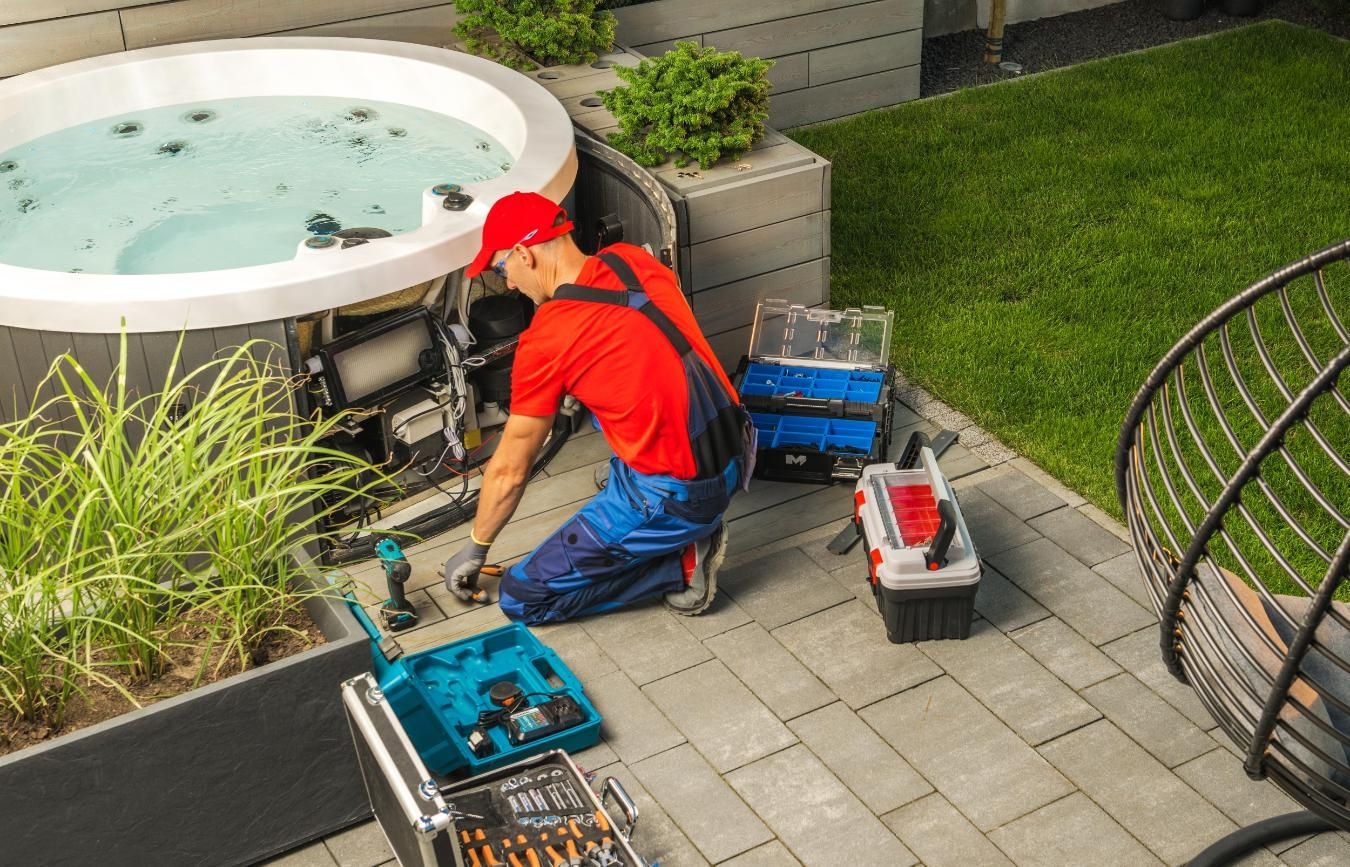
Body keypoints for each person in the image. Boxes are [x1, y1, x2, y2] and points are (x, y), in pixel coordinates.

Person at [439, 192, 754, 625]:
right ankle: (666, 526)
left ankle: (678, 565)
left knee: (521, 597)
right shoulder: (631, 260)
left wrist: (475, 546)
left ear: (522, 254)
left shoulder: (549, 338)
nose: (508, 283)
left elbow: (511, 470)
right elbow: (648, 344)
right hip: (735, 446)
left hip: (680, 494)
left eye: (500, 268)